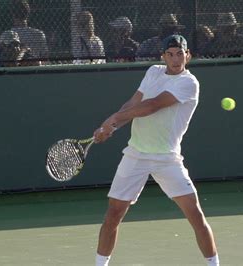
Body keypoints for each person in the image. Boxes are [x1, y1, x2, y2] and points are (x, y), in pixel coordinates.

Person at [93, 34, 219, 266]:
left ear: (188, 55)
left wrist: (114, 121)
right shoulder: (153, 72)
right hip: (135, 155)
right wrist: (109, 125)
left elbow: (151, 106)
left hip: (167, 158)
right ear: (163, 56)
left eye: (180, 53)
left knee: (195, 215)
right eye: (170, 54)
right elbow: (133, 104)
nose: (175, 58)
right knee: (113, 215)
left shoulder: (189, 83)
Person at [10, 0, 49, 64]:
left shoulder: (9, 34)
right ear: (28, 14)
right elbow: (45, 57)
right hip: (35, 69)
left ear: (12, 14)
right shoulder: (39, 34)